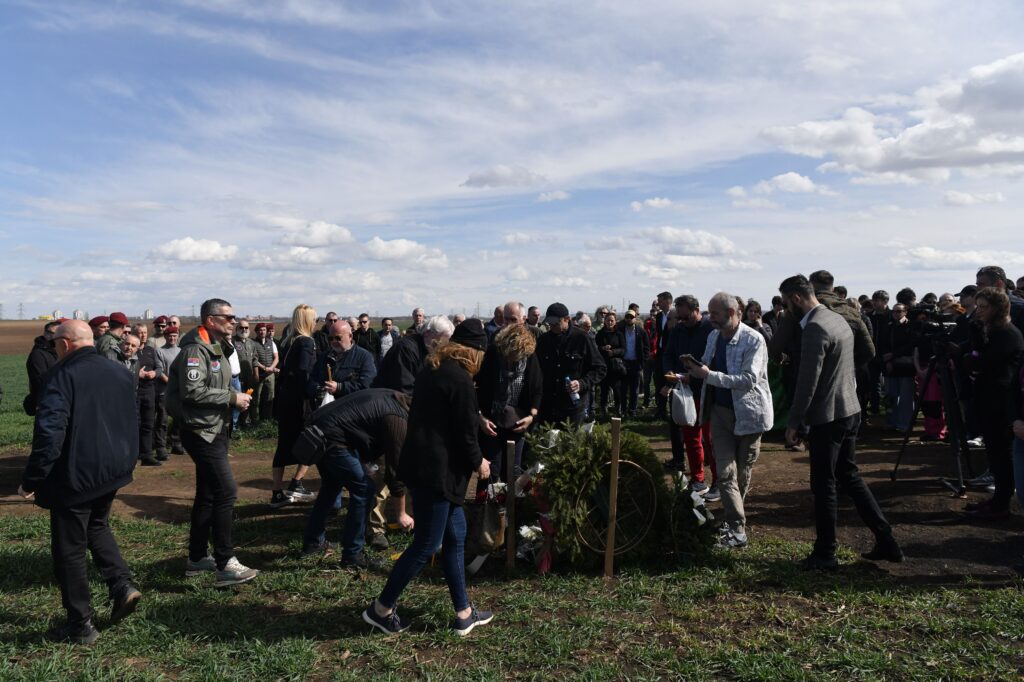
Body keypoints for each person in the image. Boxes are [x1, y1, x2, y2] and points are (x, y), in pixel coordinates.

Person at [362, 319, 494, 636]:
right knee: (426, 544)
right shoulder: (460, 379)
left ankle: (463, 612)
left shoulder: (433, 369)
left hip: (425, 466)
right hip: (437, 472)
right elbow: (465, 433)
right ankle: (381, 609)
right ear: (474, 352)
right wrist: (480, 463)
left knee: (455, 536)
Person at [17, 320, 141, 644]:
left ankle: (80, 623)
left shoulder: (60, 375)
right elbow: (133, 420)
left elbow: (50, 434)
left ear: (66, 344)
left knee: (68, 550)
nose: (54, 348)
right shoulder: (119, 372)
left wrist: (32, 478)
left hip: (75, 477)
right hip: (112, 471)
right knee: (97, 525)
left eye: (55, 343)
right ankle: (121, 585)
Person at [779, 275, 902, 569]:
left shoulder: (815, 328)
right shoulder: (838, 319)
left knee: (824, 485)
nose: (785, 309)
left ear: (796, 298)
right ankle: (886, 539)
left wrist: (794, 422)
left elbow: (807, 383)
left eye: (786, 303)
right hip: (849, 409)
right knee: (849, 475)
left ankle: (825, 551)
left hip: (828, 417)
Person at [166, 298, 259, 587]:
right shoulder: (196, 351)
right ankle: (225, 563)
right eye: (228, 317)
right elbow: (192, 391)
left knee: (208, 494)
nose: (234, 321)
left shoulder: (216, 348)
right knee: (226, 492)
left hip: (214, 428)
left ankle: (196, 558)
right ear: (210, 320)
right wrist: (233, 397)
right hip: (201, 431)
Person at [683, 293, 773, 549]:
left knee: (741, 476)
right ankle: (737, 529)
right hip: (720, 413)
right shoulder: (713, 336)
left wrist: (708, 375)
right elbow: (709, 368)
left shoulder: (753, 340)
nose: (711, 318)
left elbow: (747, 380)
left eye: (716, 314)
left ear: (733, 313)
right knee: (725, 474)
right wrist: (695, 369)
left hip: (749, 415)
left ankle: (734, 521)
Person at [298, 389, 412, 569]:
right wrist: (401, 513)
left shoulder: (392, 396)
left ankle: (313, 542)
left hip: (319, 428)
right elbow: (395, 471)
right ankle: (352, 555)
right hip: (331, 437)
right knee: (364, 490)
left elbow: (360, 425)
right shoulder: (398, 418)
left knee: (331, 486)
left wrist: (363, 461)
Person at [963, 288, 1024, 519]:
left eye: (984, 307)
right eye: (978, 306)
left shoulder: (1008, 334)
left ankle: (1001, 504)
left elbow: (981, 361)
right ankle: (998, 500)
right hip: (989, 398)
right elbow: (976, 358)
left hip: (1001, 402)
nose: (979, 311)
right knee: (995, 453)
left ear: (998, 308)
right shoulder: (995, 331)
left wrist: (972, 358)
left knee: (1001, 454)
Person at [662, 295, 717, 497]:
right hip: (685, 392)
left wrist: (693, 376)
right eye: (680, 318)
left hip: (708, 391)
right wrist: (671, 374)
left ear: (696, 311)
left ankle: (719, 481)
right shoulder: (678, 330)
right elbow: (668, 355)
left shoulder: (711, 330)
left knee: (710, 440)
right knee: (691, 437)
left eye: (686, 318)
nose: (682, 322)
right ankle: (698, 479)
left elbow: (716, 363)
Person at [477, 323, 542, 483]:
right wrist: (480, 417)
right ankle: (487, 503)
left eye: (519, 355)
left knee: (513, 469)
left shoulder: (529, 357)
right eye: (511, 355)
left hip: (518, 422)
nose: (514, 359)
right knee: (492, 468)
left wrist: (531, 416)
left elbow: (537, 390)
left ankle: (510, 504)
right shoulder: (493, 355)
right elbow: (479, 388)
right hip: (492, 421)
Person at [270, 304, 320, 509]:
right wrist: (308, 400)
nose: (316, 323)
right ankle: (296, 483)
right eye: (314, 319)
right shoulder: (307, 342)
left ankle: (276, 492)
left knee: (283, 444)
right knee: (313, 441)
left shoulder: (288, 342)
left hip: (285, 399)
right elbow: (303, 374)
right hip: (299, 401)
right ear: (308, 321)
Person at [535, 303, 606, 427]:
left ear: (567, 319)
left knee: (569, 444)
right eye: (550, 324)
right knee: (547, 444)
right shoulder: (543, 341)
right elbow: (536, 370)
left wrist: (582, 383)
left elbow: (600, 368)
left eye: (556, 323)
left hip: (572, 408)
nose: (552, 327)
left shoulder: (582, 338)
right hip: (548, 406)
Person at [373, 315, 455, 395]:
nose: (442, 346)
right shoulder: (406, 349)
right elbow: (404, 390)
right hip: (389, 401)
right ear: (427, 333)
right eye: (441, 341)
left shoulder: (427, 348)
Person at [132, 324, 162, 466]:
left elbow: (160, 367)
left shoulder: (151, 350)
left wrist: (154, 373)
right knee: (135, 423)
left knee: (148, 423)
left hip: (150, 390)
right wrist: (138, 374)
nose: (143, 335)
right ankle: (134, 454)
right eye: (139, 333)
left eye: (144, 332)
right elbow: (122, 367)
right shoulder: (130, 349)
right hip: (135, 391)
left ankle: (147, 454)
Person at [154, 325, 183, 455]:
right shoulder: (159, 351)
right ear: (165, 337)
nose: (172, 338)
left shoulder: (182, 351)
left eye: (174, 336)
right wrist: (172, 383)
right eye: (169, 336)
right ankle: (161, 447)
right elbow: (160, 371)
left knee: (179, 419)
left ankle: (176, 444)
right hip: (164, 392)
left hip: (179, 391)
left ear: (177, 336)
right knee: (162, 420)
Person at [24, 319, 61, 416]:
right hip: (47, 404)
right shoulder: (38, 354)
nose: (59, 337)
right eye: (56, 333)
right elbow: (40, 382)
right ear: (47, 334)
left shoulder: (57, 351)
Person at [620, 310, 650, 417]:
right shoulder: (620, 331)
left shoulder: (641, 332)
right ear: (625, 318)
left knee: (634, 389)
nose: (629, 319)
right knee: (623, 389)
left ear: (635, 318)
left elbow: (647, 348)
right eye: (627, 317)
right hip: (623, 363)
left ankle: (632, 410)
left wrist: (642, 363)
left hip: (636, 364)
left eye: (631, 317)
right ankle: (623, 410)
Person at [595, 312, 626, 416]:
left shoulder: (619, 334)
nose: (610, 322)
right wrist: (603, 348)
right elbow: (596, 348)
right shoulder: (600, 334)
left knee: (617, 389)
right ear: (605, 321)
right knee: (604, 389)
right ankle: (603, 410)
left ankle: (618, 410)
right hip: (604, 365)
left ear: (615, 321)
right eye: (608, 320)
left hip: (616, 366)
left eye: (612, 320)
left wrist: (613, 352)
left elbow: (623, 349)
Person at [232, 320, 259, 428]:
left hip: (250, 378)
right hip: (238, 379)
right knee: (238, 401)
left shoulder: (251, 342)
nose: (244, 330)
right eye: (241, 327)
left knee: (248, 400)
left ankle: (245, 422)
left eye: (246, 327)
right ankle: (235, 425)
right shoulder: (233, 342)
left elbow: (255, 359)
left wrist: (256, 373)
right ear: (237, 329)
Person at [252, 322, 279, 421]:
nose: (262, 332)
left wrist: (271, 367)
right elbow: (254, 359)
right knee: (256, 399)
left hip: (270, 375)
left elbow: (276, 357)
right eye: (260, 330)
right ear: (256, 331)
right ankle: (255, 419)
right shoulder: (253, 343)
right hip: (258, 374)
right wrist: (264, 368)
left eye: (264, 330)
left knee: (269, 398)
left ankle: (266, 420)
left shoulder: (271, 343)